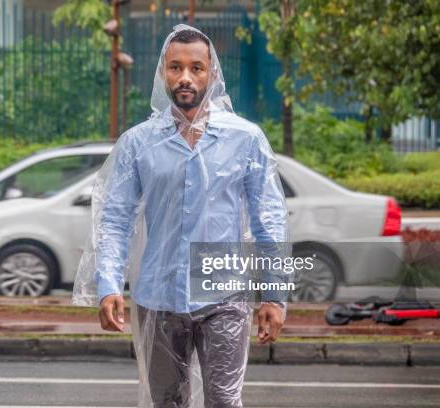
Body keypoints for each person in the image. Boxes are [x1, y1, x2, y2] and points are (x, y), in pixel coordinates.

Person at [73, 24, 290, 408]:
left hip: (224, 295)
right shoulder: (138, 143)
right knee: (167, 401)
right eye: (175, 67)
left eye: (196, 67)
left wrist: (274, 293)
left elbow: (269, 218)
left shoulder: (246, 139)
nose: (185, 77)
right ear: (163, 73)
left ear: (212, 73)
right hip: (158, 296)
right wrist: (108, 283)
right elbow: (115, 219)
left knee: (224, 399)